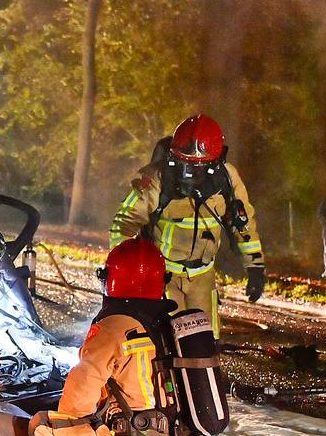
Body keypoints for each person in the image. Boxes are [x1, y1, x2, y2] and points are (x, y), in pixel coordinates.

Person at [29, 237, 206, 436]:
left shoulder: (113, 327)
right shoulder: (166, 326)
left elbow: (79, 395)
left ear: (111, 279)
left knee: (47, 430)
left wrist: (70, 428)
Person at [110, 114, 264, 338]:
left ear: (215, 162)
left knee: (206, 345)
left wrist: (255, 267)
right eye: (184, 163)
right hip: (163, 277)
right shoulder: (156, 178)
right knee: (165, 344)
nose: (189, 172)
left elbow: (244, 223)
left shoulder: (228, 179)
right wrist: (123, 269)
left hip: (203, 277)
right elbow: (124, 222)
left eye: (199, 166)